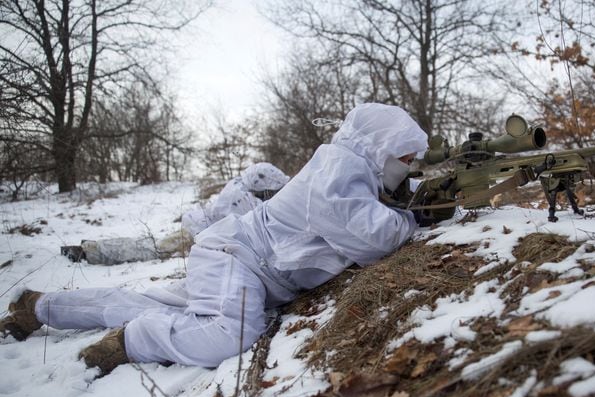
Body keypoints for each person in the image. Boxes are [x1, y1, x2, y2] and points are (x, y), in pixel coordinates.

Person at [0, 103, 428, 375]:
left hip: (237, 258)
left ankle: (37, 306)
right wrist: (418, 216)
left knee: (152, 302)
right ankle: (130, 342)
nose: (408, 167)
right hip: (237, 257)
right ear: (381, 146)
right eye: (405, 158)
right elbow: (373, 239)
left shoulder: (348, 169)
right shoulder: (338, 169)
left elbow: (366, 217)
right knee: (233, 331)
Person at [60, 163, 290, 265]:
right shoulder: (239, 198)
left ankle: (92, 248)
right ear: (261, 187)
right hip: (194, 234)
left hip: (197, 228)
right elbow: (244, 230)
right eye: (271, 192)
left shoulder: (245, 186)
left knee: (150, 246)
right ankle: (89, 251)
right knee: (151, 249)